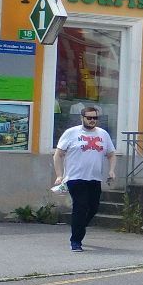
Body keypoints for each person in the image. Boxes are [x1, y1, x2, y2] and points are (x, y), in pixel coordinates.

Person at [53, 103, 115, 252]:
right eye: (89, 118)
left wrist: (111, 171)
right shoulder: (71, 133)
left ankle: (79, 226)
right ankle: (76, 241)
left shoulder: (103, 134)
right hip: (75, 178)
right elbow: (58, 155)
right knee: (80, 207)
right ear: (82, 118)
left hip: (94, 178)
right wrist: (59, 175)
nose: (92, 120)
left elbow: (111, 154)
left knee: (93, 208)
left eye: (95, 118)